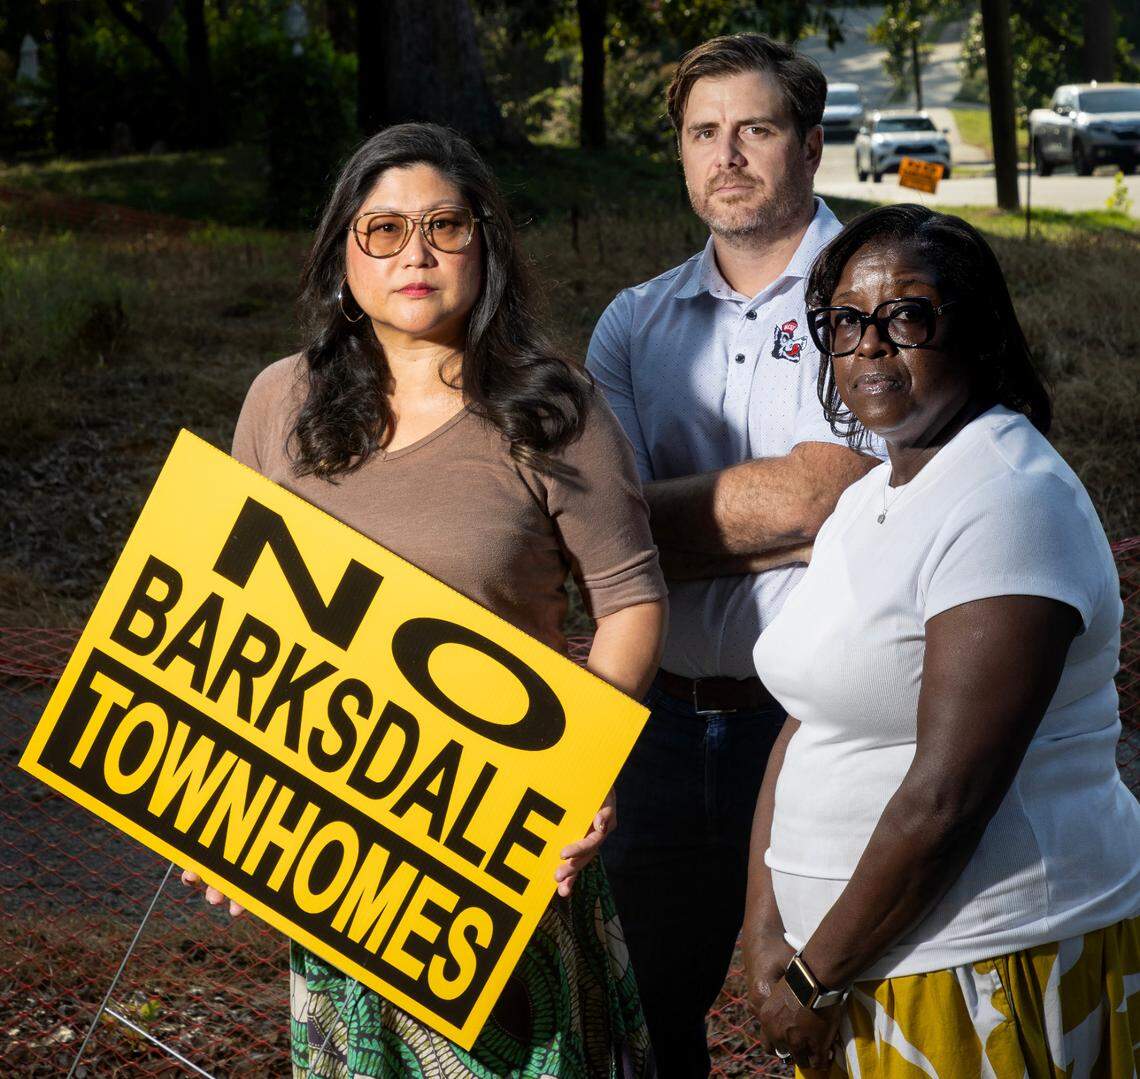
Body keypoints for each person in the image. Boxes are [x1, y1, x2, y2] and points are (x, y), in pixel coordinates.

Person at [184, 122, 669, 1078]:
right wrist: (209, 802)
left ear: (485, 245)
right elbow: (224, 609)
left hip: (498, 861)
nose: (416, 252)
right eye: (384, 229)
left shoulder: (555, 406)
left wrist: (577, 769)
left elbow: (632, 601)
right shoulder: (277, 401)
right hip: (330, 852)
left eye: (446, 225)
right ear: (341, 255)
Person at [744, 204, 1140, 1075]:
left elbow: (948, 795)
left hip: (988, 960)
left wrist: (815, 977)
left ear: (978, 333)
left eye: (907, 316)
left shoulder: (1007, 494)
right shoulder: (869, 497)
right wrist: (764, 929)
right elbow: (807, 716)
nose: (872, 344)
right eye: (847, 321)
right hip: (855, 968)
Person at [586, 33, 877, 1075]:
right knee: (642, 1020)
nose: (729, 155)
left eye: (755, 128)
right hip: (659, 723)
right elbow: (605, 536)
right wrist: (797, 515)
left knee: (832, 1012)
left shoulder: (880, 298)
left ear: (808, 144)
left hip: (826, 727)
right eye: (704, 133)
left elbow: (861, 497)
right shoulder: (632, 322)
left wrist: (667, 536)